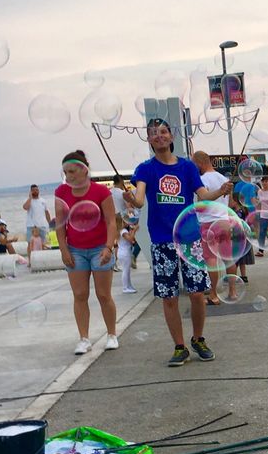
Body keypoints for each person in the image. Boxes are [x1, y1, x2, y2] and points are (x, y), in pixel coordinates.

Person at [123, 118, 230, 366]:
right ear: (148, 140)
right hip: (161, 240)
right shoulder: (145, 169)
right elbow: (139, 200)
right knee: (168, 296)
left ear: (171, 137)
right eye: (153, 133)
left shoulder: (187, 168)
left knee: (196, 293)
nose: (158, 136)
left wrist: (221, 190)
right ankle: (179, 346)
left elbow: (204, 195)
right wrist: (131, 197)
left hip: (189, 237)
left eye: (163, 132)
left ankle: (199, 339)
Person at [55, 153, 119, 354]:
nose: (68, 176)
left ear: (84, 169)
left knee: (103, 294)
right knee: (80, 295)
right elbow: (60, 224)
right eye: (65, 172)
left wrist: (109, 247)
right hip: (75, 249)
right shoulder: (61, 192)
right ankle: (83, 338)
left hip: (100, 248)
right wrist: (64, 250)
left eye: (72, 171)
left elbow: (111, 222)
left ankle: (111, 334)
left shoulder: (101, 191)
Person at [194, 151, 235, 306]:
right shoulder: (224, 179)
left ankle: (213, 294)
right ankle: (232, 291)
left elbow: (202, 205)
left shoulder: (202, 179)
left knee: (211, 259)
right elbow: (230, 204)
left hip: (208, 224)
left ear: (199, 163)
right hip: (224, 221)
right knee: (228, 258)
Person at [117, 212, 138, 294]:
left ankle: (129, 285)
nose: (128, 222)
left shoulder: (122, 230)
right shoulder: (123, 231)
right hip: (124, 253)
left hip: (124, 252)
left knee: (127, 270)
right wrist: (134, 230)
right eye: (126, 221)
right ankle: (125, 287)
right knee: (125, 270)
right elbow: (130, 239)